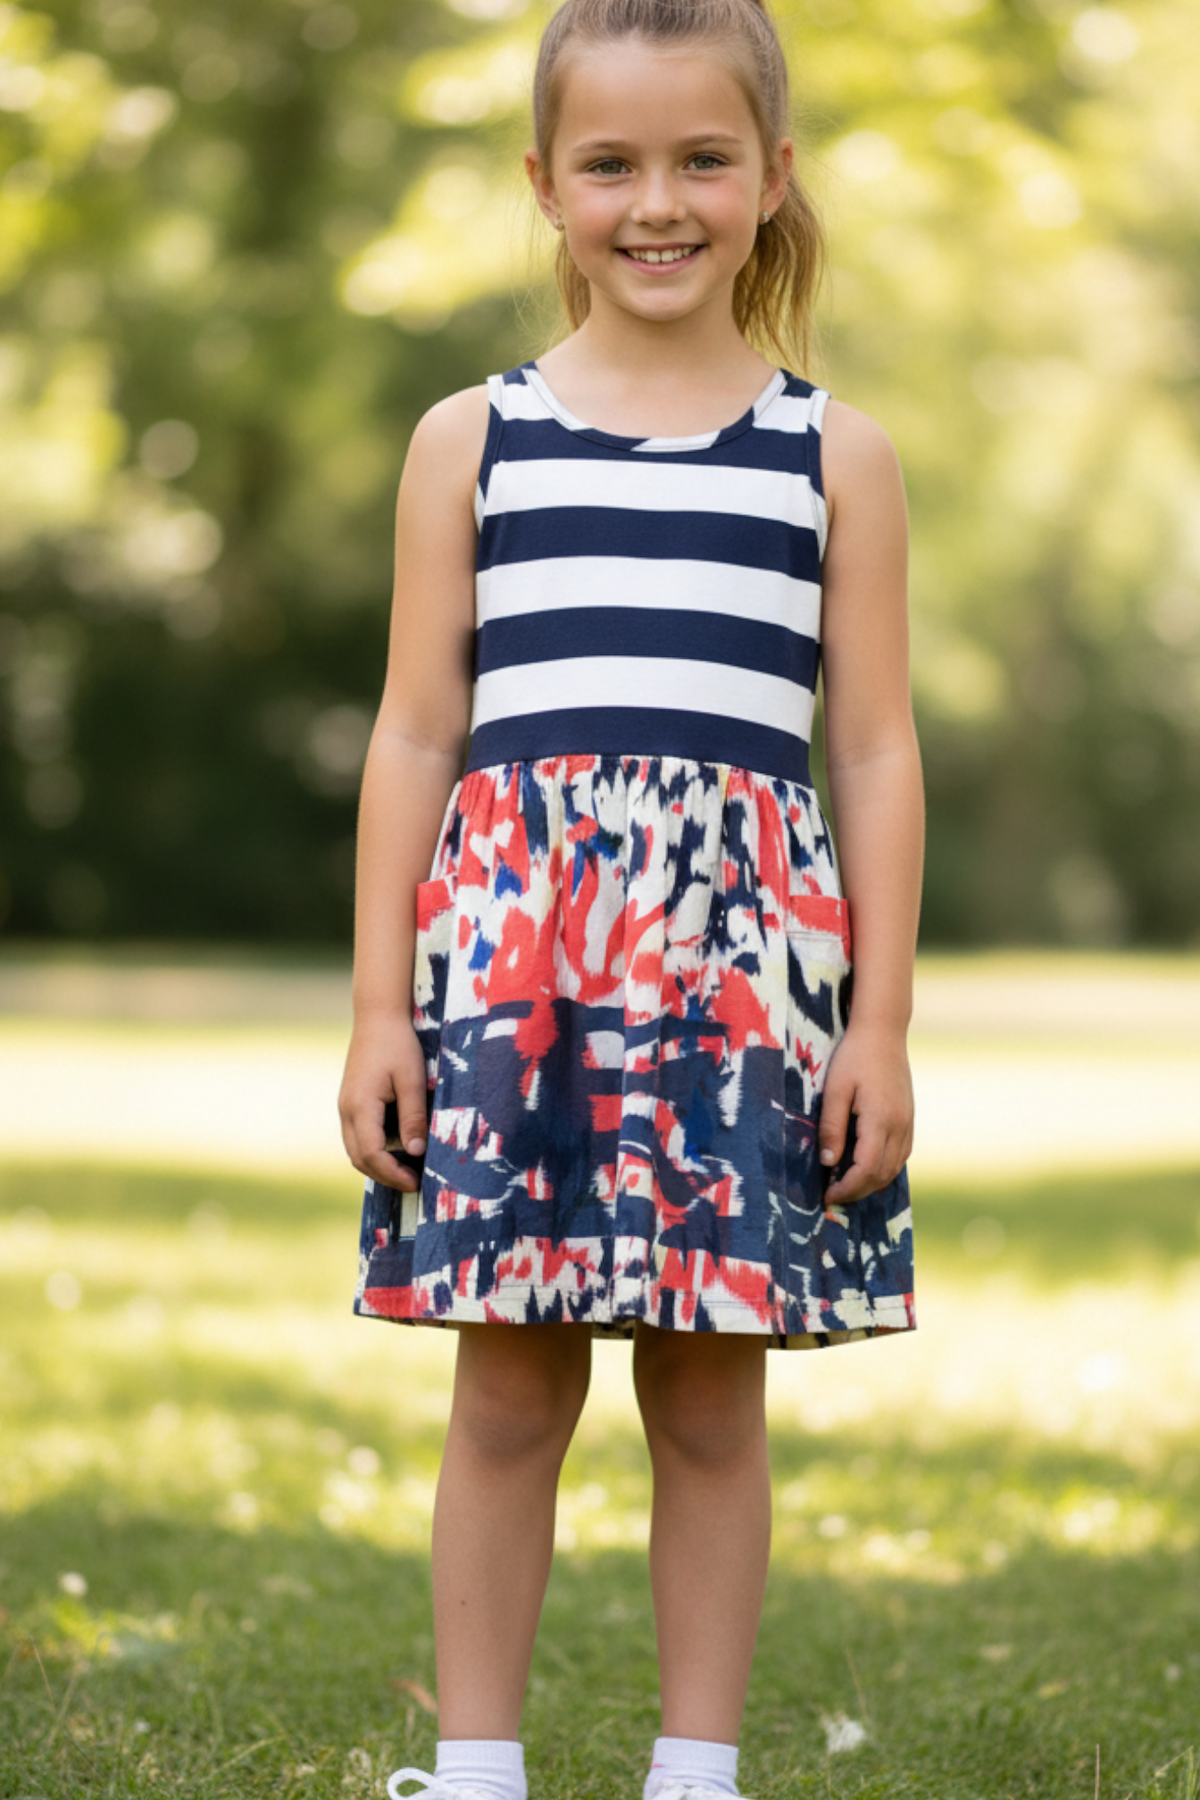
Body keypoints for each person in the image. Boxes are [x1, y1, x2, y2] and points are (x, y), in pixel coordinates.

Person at [338, 0, 923, 1794]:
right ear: (545, 184)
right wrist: (379, 1010)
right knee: (511, 1389)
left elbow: (874, 751)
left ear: (772, 175)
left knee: (710, 1397)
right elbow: (415, 733)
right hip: (519, 973)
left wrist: (882, 1028)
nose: (655, 202)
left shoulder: (834, 455)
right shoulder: (473, 438)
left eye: (700, 160)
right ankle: (478, 1769)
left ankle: (696, 1771)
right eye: (610, 164)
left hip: (740, 986)